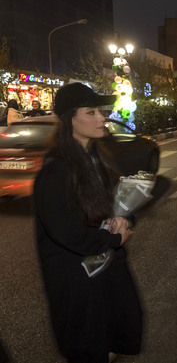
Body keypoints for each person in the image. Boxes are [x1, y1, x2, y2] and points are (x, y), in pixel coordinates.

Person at [34, 83, 142, 363]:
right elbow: (63, 231)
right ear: (70, 119)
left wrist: (125, 217)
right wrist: (113, 240)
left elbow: (115, 201)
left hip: (103, 271)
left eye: (100, 110)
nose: (101, 117)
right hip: (78, 279)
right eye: (91, 112)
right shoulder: (56, 169)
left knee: (110, 339)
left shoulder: (96, 158)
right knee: (88, 345)